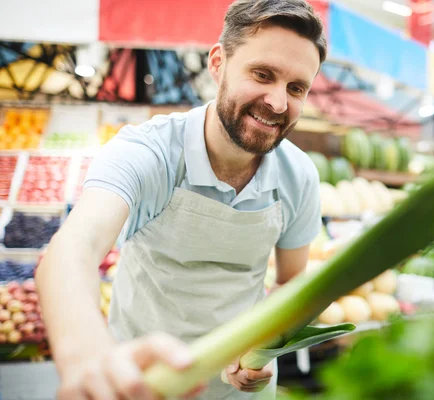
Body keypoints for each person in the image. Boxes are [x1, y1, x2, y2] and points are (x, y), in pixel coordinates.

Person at [35, 1, 327, 399]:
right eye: (262, 74)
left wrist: (259, 350)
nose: (278, 102)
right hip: (141, 382)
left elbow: (292, 283)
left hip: (242, 390)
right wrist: (88, 356)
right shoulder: (148, 153)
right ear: (218, 63)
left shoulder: (299, 175)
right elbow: (73, 251)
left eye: (296, 88)